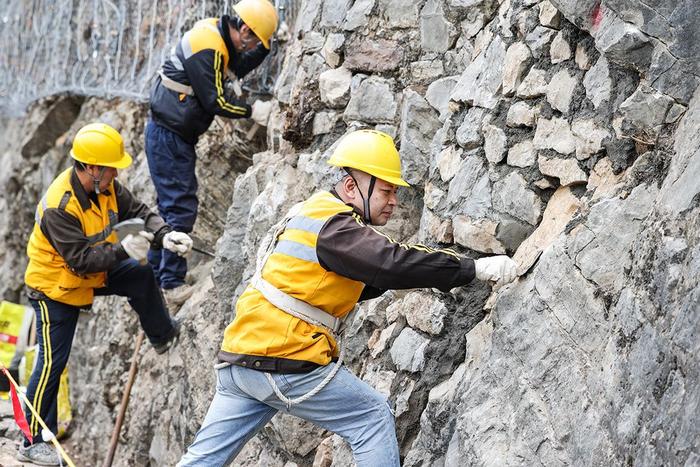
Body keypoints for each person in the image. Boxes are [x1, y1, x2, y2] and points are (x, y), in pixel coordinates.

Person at [177, 130, 518, 466]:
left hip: (240, 360)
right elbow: (390, 263)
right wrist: (472, 269)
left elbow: (362, 277)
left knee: (202, 460)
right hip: (281, 359)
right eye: (386, 190)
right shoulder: (337, 228)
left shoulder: (312, 212)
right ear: (353, 187)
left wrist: (419, 274)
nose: (394, 201)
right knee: (370, 419)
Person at [19, 123, 194, 466]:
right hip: (55, 287)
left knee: (141, 276)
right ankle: (31, 441)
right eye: (112, 166)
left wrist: (165, 235)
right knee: (53, 362)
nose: (117, 172)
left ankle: (162, 334)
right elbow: (81, 261)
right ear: (92, 167)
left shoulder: (107, 187)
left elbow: (140, 213)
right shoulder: (61, 205)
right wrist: (125, 251)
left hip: (90, 272)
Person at [146, 0, 279, 306]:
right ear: (243, 29)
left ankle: (157, 275)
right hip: (168, 137)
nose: (251, 47)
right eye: (254, 40)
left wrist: (266, 48)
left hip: (172, 135)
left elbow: (237, 65)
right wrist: (252, 110)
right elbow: (215, 101)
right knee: (179, 207)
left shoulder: (217, 39)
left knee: (169, 207)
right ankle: (171, 283)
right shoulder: (208, 46)